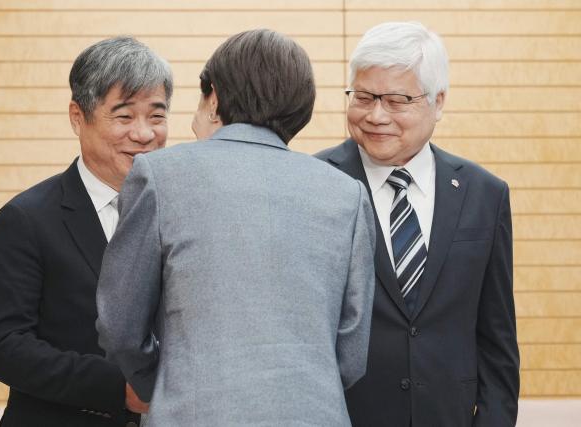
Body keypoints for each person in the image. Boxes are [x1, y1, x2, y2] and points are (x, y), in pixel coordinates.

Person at [96, 29, 376, 426]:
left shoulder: (160, 175)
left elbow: (120, 326)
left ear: (214, 97)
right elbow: (351, 353)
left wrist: (168, 385)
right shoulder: (347, 194)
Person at [316, 21, 520, 427]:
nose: (376, 115)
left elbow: (498, 342)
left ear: (438, 101)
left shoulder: (485, 195)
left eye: (396, 100)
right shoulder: (314, 183)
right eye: (364, 96)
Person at [0, 36, 173, 427]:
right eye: (123, 116)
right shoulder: (25, 219)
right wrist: (120, 389)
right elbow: (6, 347)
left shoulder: (181, 211)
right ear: (77, 116)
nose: (144, 134)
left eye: (156, 116)